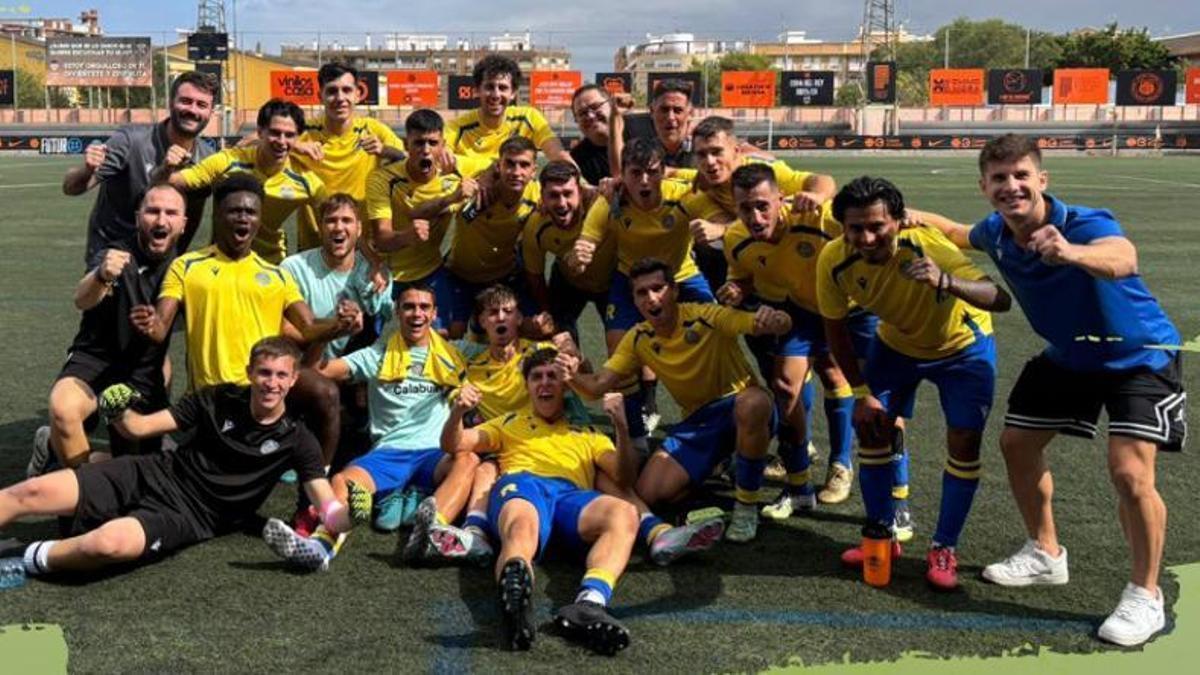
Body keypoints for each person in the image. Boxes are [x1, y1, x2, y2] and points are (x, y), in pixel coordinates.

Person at [929, 134, 1185, 646]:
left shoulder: (1082, 223)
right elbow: (955, 232)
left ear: (1042, 180)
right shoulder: (996, 232)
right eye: (999, 178)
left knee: (1130, 472)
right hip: (1070, 356)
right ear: (985, 186)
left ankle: (1146, 594)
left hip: (1138, 354)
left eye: (1021, 175)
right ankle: (1046, 553)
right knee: (1017, 445)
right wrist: (894, 212)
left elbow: (1123, 257)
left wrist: (1070, 253)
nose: (1011, 186)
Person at [0, 338, 339, 578]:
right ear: (250, 372)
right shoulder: (216, 398)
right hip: (155, 471)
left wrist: (349, 516)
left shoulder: (298, 440)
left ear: (294, 380)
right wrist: (118, 411)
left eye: (281, 375)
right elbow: (139, 427)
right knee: (29, 493)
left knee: (106, 544)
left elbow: (328, 508)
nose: (272, 383)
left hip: (189, 515)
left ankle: (19, 557)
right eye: (265, 373)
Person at [816, 176, 1012, 590]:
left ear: (899, 221)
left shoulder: (929, 245)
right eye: (856, 228)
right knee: (869, 429)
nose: (866, 238)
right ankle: (881, 534)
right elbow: (835, 331)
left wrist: (946, 280)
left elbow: (1000, 298)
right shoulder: (833, 259)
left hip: (962, 349)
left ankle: (944, 548)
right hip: (898, 347)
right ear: (842, 228)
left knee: (963, 441)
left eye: (877, 227)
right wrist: (861, 392)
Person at [128, 174, 355, 473]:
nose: (243, 219)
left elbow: (308, 326)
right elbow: (160, 326)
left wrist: (339, 324)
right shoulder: (187, 266)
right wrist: (148, 322)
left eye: (251, 212)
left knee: (326, 393)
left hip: (265, 388)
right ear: (218, 215)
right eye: (235, 211)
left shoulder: (276, 275)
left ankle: (318, 475)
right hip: (215, 397)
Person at [565, 257, 793, 544]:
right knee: (649, 492)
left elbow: (759, 324)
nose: (651, 298)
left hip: (738, 408)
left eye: (658, 288)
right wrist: (570, 375)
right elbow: (597, 386)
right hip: (697, 423)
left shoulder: (705, 315)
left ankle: (746, 507)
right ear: (634, 300)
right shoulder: (638, 338)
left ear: (673, 290)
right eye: (641, 293)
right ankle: (718, 473)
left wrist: (776, 320)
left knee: (755, 402)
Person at [262, 284, 483, 569]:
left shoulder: (456, 352)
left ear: (434, 314)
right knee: (343, 481)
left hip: (434, 454)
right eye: (409, 307)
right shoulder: (376, 356)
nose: (417, 314)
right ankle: (320, 546)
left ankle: (431, 533)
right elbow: (315, 371)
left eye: (424, 307)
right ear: (397, 312)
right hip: (388, 453)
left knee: (468, 460)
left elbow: (510, 356)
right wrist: (330, 332)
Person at [441, 348, 638, 654]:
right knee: (522, 524)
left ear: (566, 385)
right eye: (536, 377)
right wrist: (457, 413)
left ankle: (589, 605)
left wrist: (622, 430)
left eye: (553, 377)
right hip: (524, 485)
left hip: (571, 497)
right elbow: (455, 444)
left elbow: (625, 477)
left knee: (624, 512)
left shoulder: (588, 432)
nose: (545, 383)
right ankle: (516, 602)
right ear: (527, 386)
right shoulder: (508, 422)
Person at [28, 184, 188, 477]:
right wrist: (102, 275)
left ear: (183, 222)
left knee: (143, 466)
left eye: (171, 213)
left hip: (144, 365)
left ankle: (57, 452)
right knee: (63, 409)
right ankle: (79, 479)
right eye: (152, 211)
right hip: (96, 358)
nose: (161, 220)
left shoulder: (188, 266)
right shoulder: (115, 254)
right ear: (139, 216)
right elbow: (82, 299)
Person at [65, 70, 217, 262]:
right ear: (170, 103)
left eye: (201, 105)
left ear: (211, 112)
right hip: (111, 259)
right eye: (185, 101)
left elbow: (195, 215)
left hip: (165, 266)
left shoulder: (208, 160)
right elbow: (71, 188)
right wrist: (87, 170)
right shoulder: (130, 141)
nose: (193, 110)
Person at [160, 98, 327, 264]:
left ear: (298, 138)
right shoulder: (230, 161)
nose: (282, 141)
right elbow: (173, 182)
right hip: (222, 261)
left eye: (289, 135)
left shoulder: (305, 181)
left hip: (270, 263)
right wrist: (167, 167)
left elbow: (332, 216)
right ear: (260, 132)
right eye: (275, 133)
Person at [365, 108, 490, 320]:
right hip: (387, 273)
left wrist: (483, 181)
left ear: (443, 146)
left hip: (431, 269)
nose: (426, 150)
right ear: (406, 145)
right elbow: (382, 240)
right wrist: (407, 236)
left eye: (433, 143)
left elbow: (496, 167)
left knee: (447, 334)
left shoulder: (456, 170)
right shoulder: (382, 179)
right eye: (419, 143)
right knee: (379, 344)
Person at [292, 62, 406, 252]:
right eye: (332, 91)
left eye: (346, 90)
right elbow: (259, 139)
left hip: (362, 246)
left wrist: (386, 151)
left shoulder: (374, 130)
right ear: (320, 96)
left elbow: (409, 161)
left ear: (357, 94)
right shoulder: (303, 132)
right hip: (313, 246)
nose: (340, 98)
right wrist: (295, 144)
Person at [443, 137, 542, 337]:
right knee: (452, 333)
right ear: (499, 165)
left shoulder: (538, 195)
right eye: (510, 164)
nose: (516, 172)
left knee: (535, 327)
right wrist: (460, 193)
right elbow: (437, 157)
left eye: (524, 165)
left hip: (504, 275)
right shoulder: (477, 179)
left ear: (534, 170)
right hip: (460, 274)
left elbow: (572, 182)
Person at [522, 160, 617, 342]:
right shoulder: (536, 226)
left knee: (621, 342)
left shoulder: (602, 206)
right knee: (558, 339)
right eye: (553, 195)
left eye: (568, 194)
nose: (562, 203)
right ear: (542, 196)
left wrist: (612, 184)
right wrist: (547, 313)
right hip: (568, 283)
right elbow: (535, 276)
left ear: (580, 193)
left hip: (611, 281)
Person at [444, 55, 569, 164]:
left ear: (513, 93)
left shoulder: (528, 117)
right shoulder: (457, 127)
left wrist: (582, 184)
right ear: (477, 91)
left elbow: (558, 154)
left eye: (503, 88)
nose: (496, 95)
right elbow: (440, 159)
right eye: (489, 87)